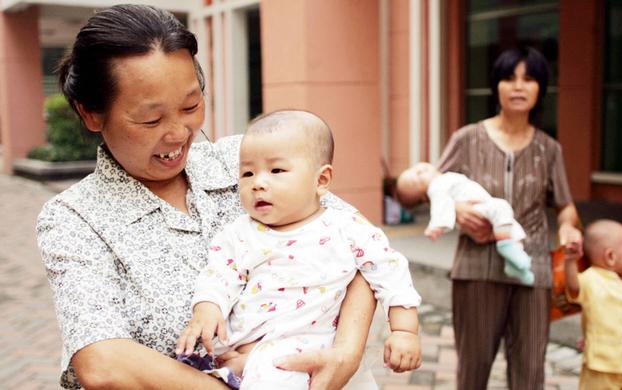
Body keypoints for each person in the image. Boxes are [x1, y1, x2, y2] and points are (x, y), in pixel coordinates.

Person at [36, 5, 377, 389]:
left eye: (191, 106)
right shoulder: (74, 218)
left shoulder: (246, 162)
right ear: (91, 114)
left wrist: (345, 355)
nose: (179, 133)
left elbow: (361, 246)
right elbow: (103, 363)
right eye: (151, 120)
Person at [176, 110, 423, 388]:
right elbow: (219, 275)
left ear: (321, 180)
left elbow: (390, 272)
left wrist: (404, 330)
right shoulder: (240, 233)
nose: (258, 183)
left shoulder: (347, 229)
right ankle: (247, 364)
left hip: (310, 346)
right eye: (247, 173)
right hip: (245, 343)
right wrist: (207, 309)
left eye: (276, 170)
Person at [437, 46, 583, 389]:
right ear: (496, 87)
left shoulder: (549, 149)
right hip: (475, 269)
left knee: (530, 371)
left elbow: (565, 206)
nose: (518, 86)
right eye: (509, 78)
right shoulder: (467, 138)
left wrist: (567, 228)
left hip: (534, 271)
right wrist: (456, 212)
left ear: (540, 88)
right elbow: (433, 187)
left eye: (529, 79)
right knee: (472, 370)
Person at [396, 162, 534, 285]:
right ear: (424, 197)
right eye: (417, 179)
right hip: (478, 208)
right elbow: (441, 207)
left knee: (513, 227)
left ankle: (515, 265)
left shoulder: (443, 178)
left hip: (484, 205)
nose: (420, 171)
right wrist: (436, 227)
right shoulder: (436, 186)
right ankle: (505, 246)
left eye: (415, 169)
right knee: (502, 207)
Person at [564, 219, 622, 389]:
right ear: (610, 256)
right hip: (601, 365)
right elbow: (574, 288)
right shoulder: (592, 279)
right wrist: (570, 261)